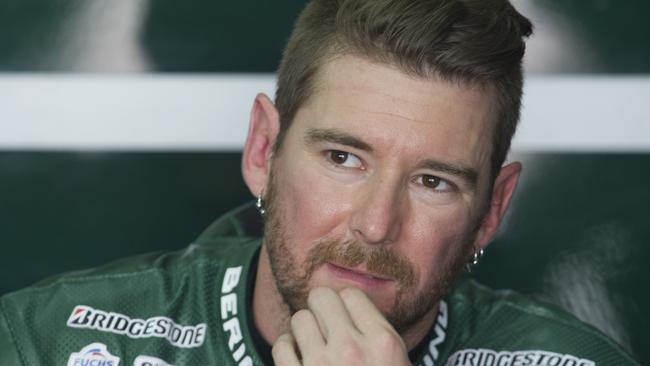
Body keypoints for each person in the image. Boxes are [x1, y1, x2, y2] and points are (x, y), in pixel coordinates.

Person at [0, 0, 640, 365]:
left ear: (491, 209)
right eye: (343, 159)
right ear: (263, 150)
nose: (375, 223)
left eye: (433, 181)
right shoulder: (47, 338)